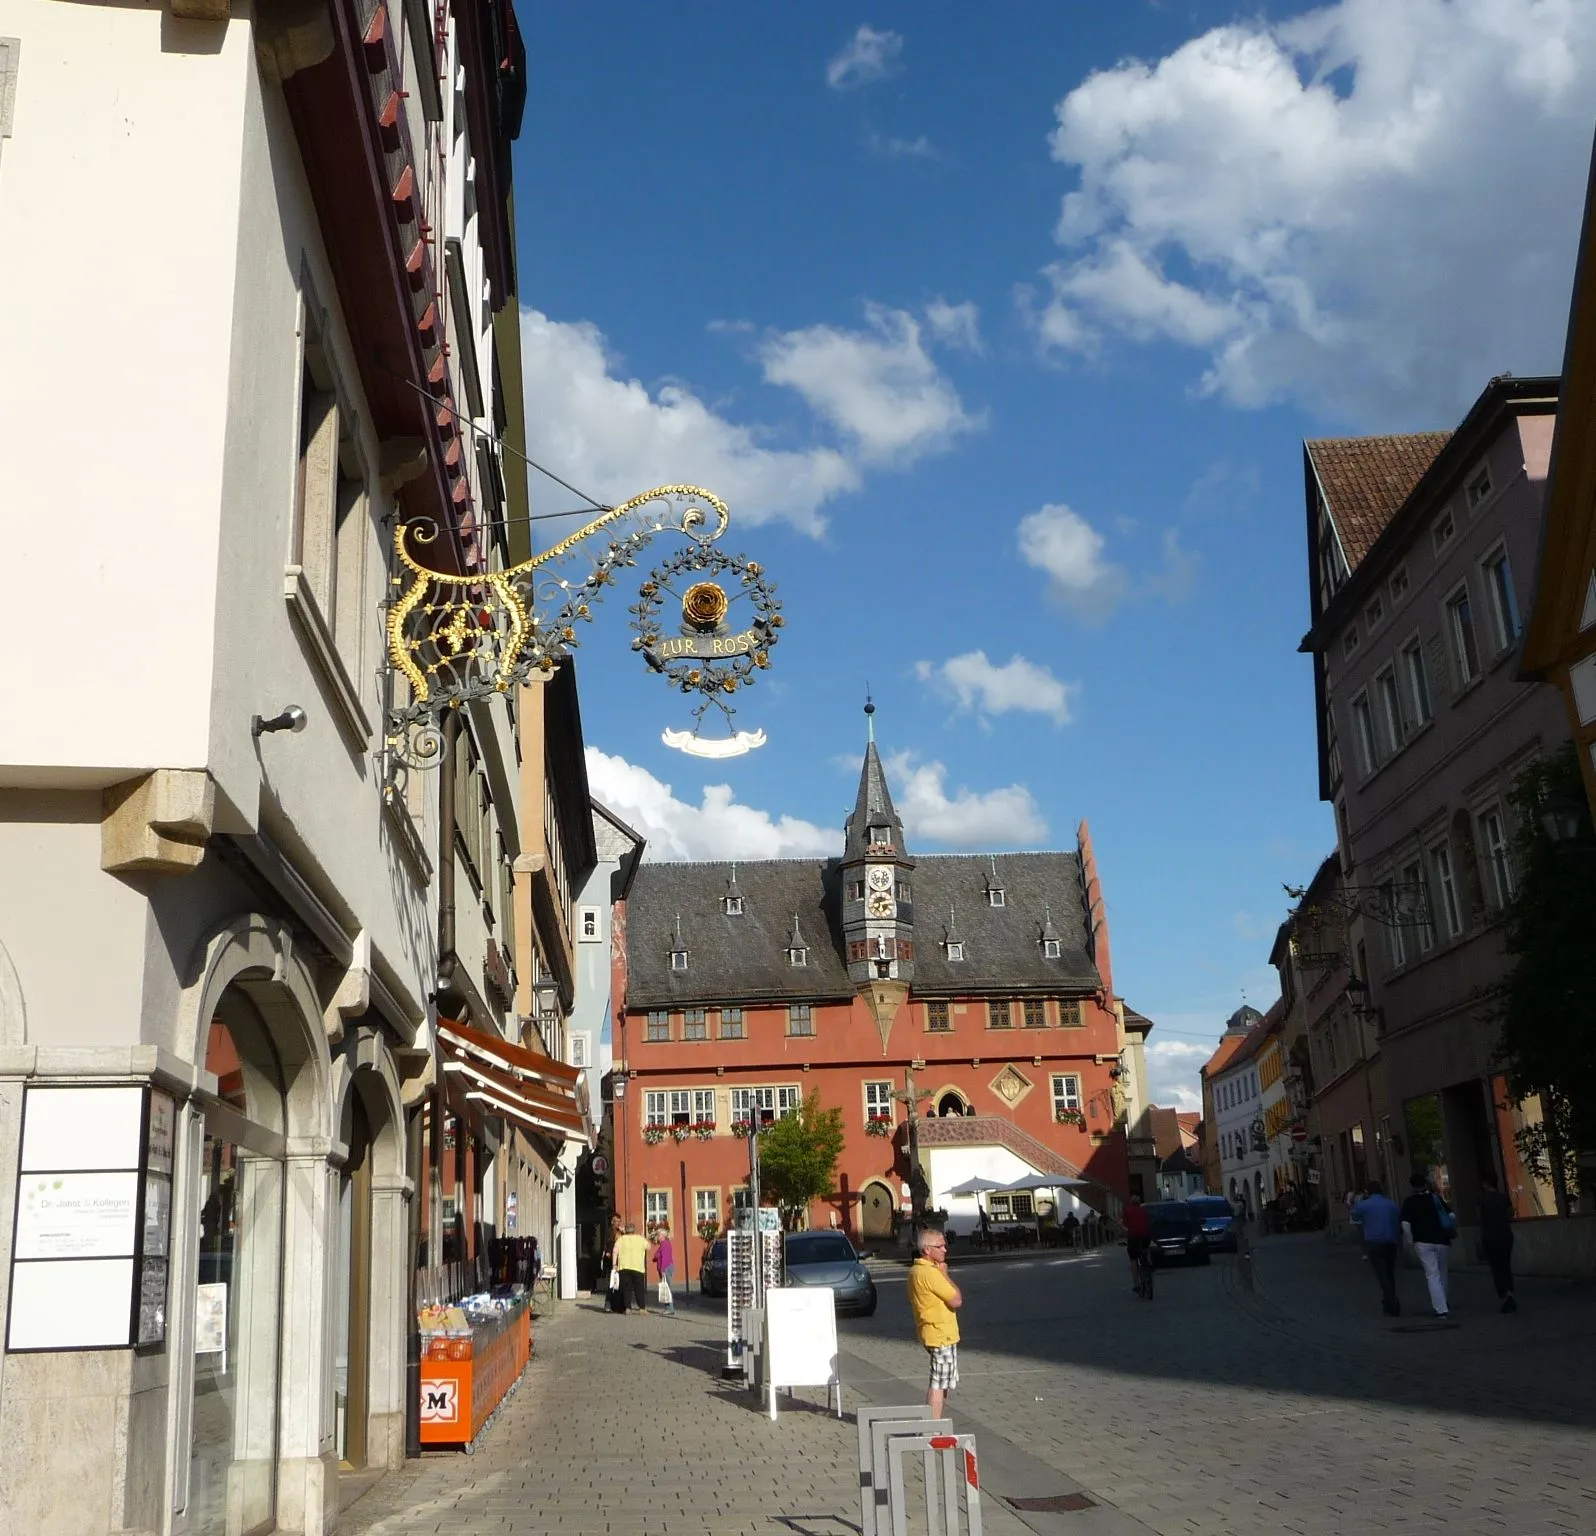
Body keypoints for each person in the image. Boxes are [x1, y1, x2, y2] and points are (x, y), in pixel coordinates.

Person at [906, 1227, 962, 1419]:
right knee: (938, 1383)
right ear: (927, 1250)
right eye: (940, 1246)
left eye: (945, 1245)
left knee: (943, 1381)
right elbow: (956, 1299)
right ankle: (932, 1427)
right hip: (940, 1334)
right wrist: (945, 1274)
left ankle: (933, 1424)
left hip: (934, 1332)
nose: (945, 1249)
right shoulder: (930, 1273)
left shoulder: (916, 1270)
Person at [1401, 1171, 1456, 1318]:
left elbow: (1405, 1224)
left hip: (1422, 1241)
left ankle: (1441, 1308)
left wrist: (1409, 1241)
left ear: (1412, 1186)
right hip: (1442, 1240)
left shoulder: (1409, 1202)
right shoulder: (1436, 1198)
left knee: (1432, 1274)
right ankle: (1443, 1300)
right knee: (1442, 1271)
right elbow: (1451, 1215)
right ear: (1425, 1184)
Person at [1349, 1179, 1403, 1316]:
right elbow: (1398, 1219)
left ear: (1368, 1191)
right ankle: (1388, 1300)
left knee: (1381, 1273)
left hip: (1374, 1243)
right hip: (1391, 1242)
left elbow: (1354, 1215)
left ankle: (1391, 1300)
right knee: (1390, 1272)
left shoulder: (1364, 1205)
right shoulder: (1392, 1204)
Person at [1477, 1172, 1517, 1313]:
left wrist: (1480, 1241)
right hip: (1505, 1236)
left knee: (1496, 1268)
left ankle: (1505, 1296)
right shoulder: (1503, 1197)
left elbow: (1481, 1221)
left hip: (1491, 1237)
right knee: (1506, 1266)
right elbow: (1511, 1214)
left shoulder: (1483, 1199)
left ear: (1485, 1183)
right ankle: (1510, 1294)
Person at [614, 1222, 649, 1313]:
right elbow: (648, 1247)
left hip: (624, 1267)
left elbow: (615, 1251)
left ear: (625, 1230)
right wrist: (643, 1238)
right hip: (638, 1267)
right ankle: (642, 1308)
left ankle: (628, 1308)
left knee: (626, 1289)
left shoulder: (621, 1239)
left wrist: (614, 1264)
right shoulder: (640, 1239)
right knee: (639, 1289)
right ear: (634, 1230)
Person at [1122, 1193, 1152, 1291]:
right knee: (1146, 1248)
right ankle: (1149, 1262)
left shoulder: (1127, 1210)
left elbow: (1121, 1223)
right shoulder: (1144, 1210)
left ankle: (1136, 1284)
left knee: (1134, 1259)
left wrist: (1124, 1230)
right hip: (1145, 1235)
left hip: (1133, 1236)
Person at [652, 1222, 677, 1315]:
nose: (657, 1237)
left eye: (658, 1235)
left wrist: (662, 1271)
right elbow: (656, 1256)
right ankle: (668, 1308)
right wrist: (657, 1256)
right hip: (664, 1267)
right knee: (665, 1288)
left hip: (666, 1268)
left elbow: (665, 1258)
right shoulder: (663, 1244)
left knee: (667, 1288)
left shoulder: (665, 1244)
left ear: (662, 1235)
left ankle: (670, 1309)